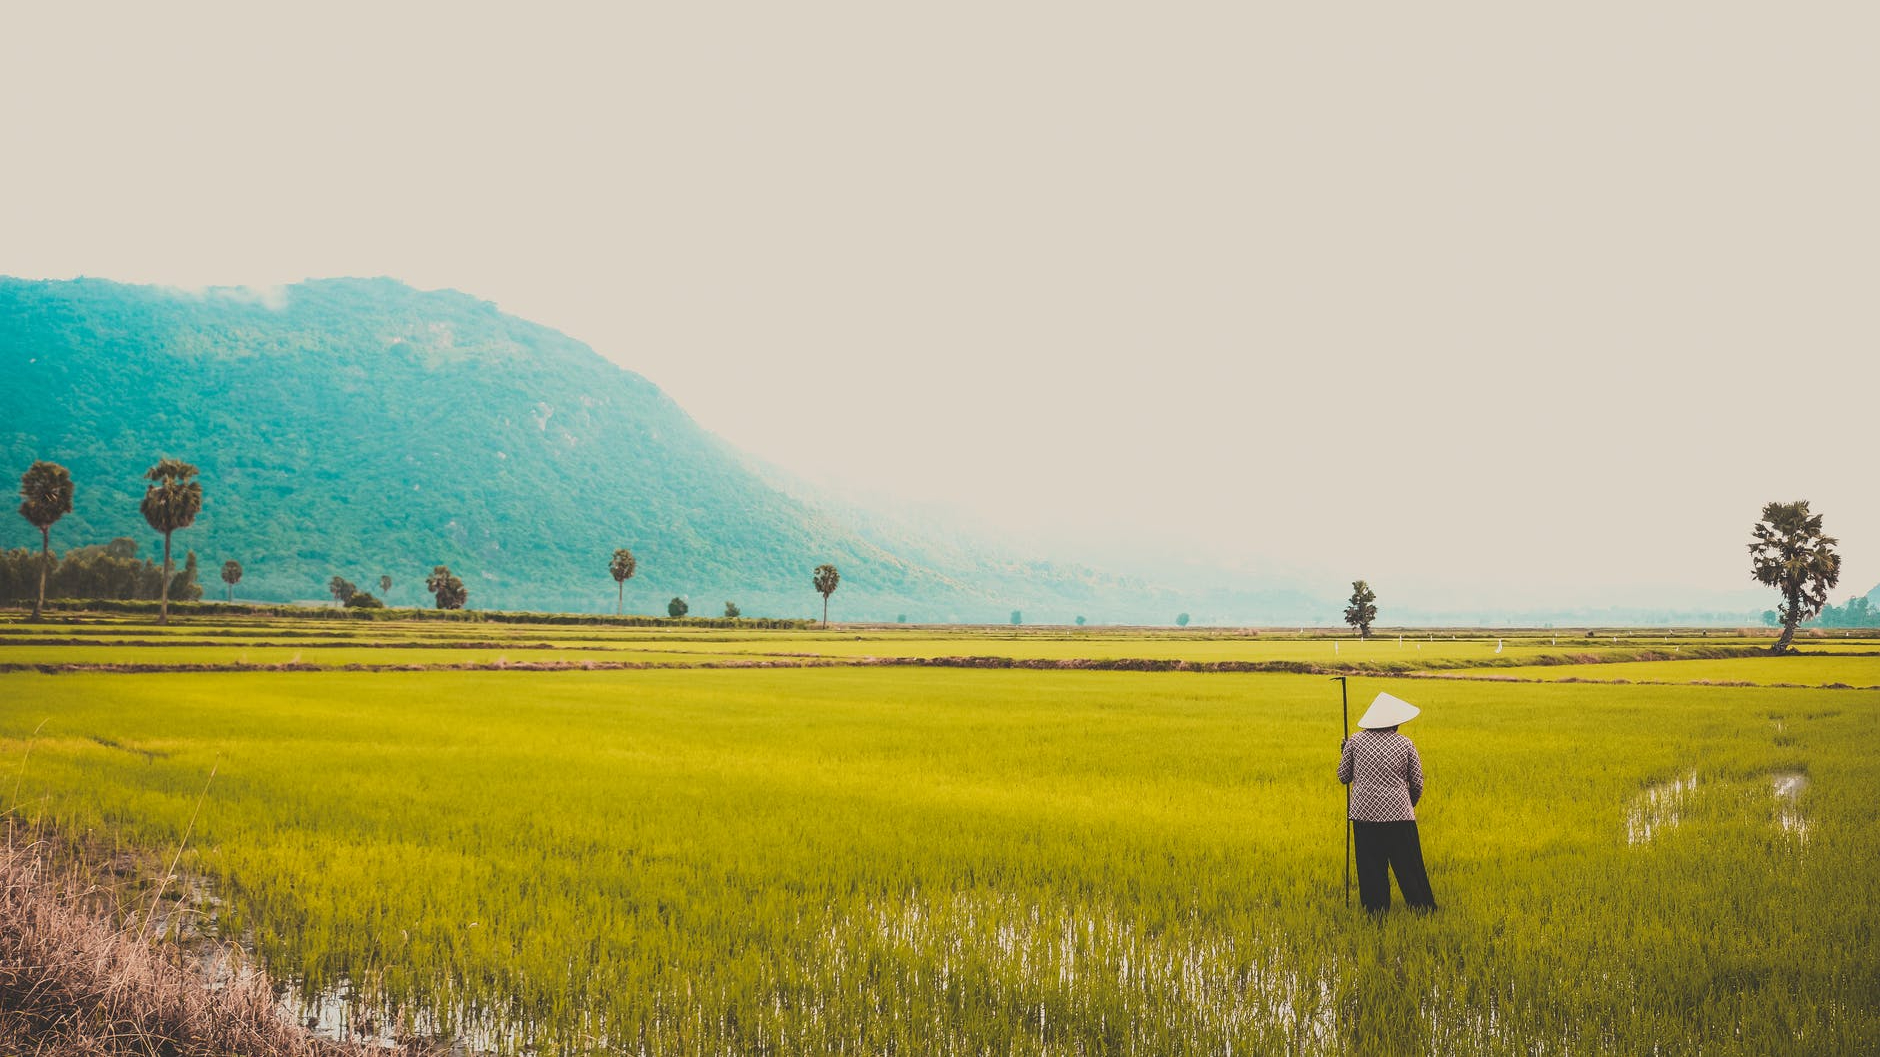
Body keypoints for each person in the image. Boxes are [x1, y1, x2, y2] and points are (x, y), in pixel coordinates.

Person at [1337, 691, 1437, 912]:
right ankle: (1422, 908)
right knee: (1409, 866)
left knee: (1371, 866)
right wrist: (1408, 805)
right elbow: (1417, 782)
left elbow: (1344, 776)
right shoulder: (1405, 744)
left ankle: (1376, 911)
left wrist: (1344, 752)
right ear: (1395, 723)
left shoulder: (1354, 741)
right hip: (1400, 815)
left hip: (1365, 815)